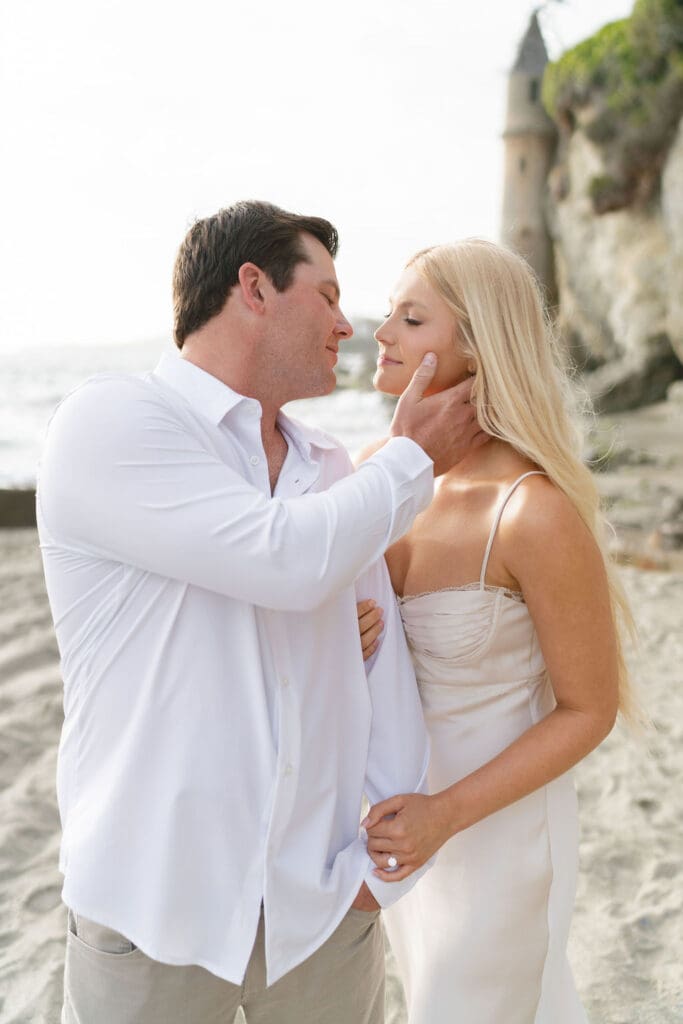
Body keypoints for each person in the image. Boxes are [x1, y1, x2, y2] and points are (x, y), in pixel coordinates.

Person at [37, 201, 486, 1024]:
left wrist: (374, 879)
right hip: (152, 913)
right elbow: (282, 560)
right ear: (254, 288)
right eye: (327, 295)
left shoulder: (329, 467)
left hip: (319, 913)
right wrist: (412, 455)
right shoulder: (113, 422)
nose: (348, 327)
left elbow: (381, 675)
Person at [356, 239, 639, 1023]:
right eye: (387, 314)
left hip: (493, 833)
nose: (380, 334)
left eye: (410, 319)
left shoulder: (531, 512)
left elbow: (589, 709)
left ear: (478, 347)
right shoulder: (372, 477)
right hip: (391, 834)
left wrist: (444, 814)